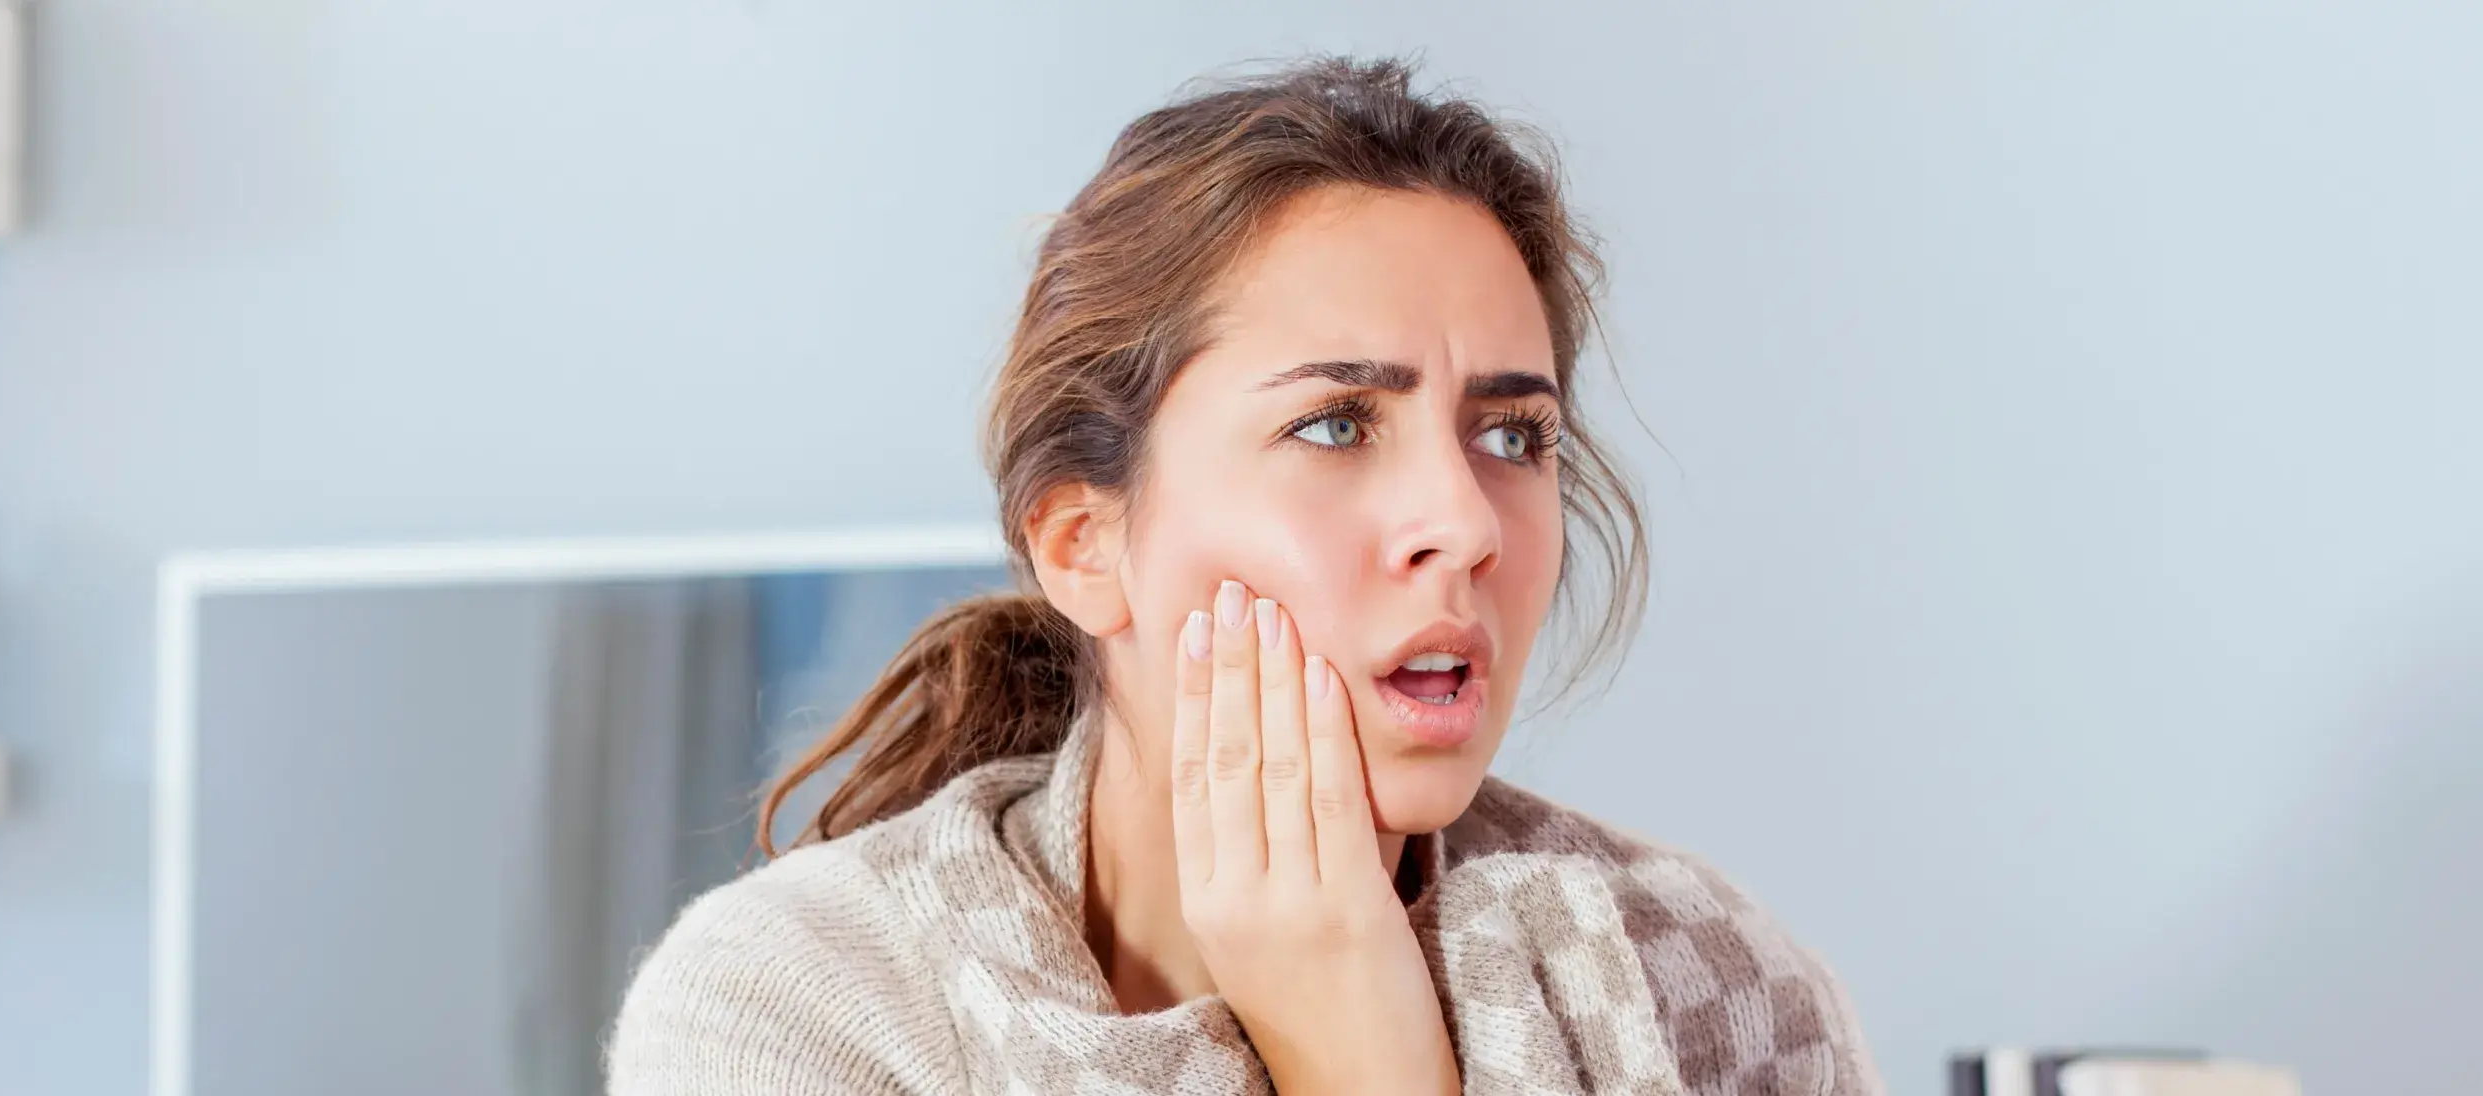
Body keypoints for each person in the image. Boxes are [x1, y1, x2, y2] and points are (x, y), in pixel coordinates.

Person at [606, 56, 1880, 1095]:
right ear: (1081, 544)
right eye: (1334, 423)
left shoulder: (1704, 986)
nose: (1466, 524)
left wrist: (1362, 1048)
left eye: (1511, 436)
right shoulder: (803, 1007)